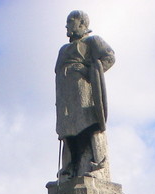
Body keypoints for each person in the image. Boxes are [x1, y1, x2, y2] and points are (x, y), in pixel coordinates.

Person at [55, 10, 115, 179]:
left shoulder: (92, 41)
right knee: (68, 132)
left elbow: (109, 57)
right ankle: (69, 169)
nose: (66, 25)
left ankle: (99, 165)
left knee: (91, 125)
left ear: (82, 23)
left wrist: (89, 71)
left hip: (85, 96)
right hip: (67, 100)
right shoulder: (63, 50)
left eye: (70, 21)